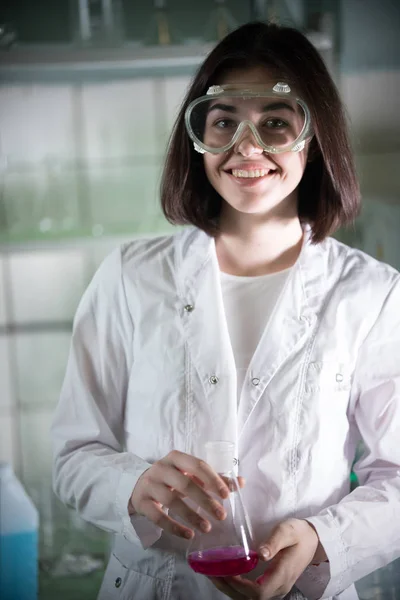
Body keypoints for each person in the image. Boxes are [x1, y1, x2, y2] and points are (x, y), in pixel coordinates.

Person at [51, 20, 400, 600]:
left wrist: (321, 538)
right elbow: (72, 455)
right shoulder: (130, 278)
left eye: (275, 123)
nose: (246, 147)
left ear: (313, 141)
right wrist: (132, 485)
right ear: (198, 139)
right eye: (223, 122)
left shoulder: (372, 294)